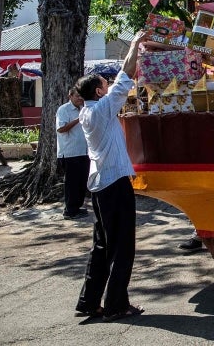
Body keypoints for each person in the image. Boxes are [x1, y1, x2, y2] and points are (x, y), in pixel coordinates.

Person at [74, 30, 148, 322]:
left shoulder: (87, 113)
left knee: (103, 245)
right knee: (122, 246)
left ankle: (90, 301)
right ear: (99, 92)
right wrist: (134, 45)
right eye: (105, 83)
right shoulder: (102, 109)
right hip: (114, 182)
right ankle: (116, 304)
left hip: (100, 182)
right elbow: (126, 75)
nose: (109, 83)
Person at [56, 88, 90, 220]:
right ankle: (69, 210)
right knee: (72, 183)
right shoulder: (63, 110)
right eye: (77, 96)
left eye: (82, 96)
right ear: (70, 96)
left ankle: (77, 206)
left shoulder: (84, 108)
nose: (80, 98)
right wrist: (78, 119)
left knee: (82, 181)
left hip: (83, 151)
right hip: (70, 153)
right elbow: (61, 128)